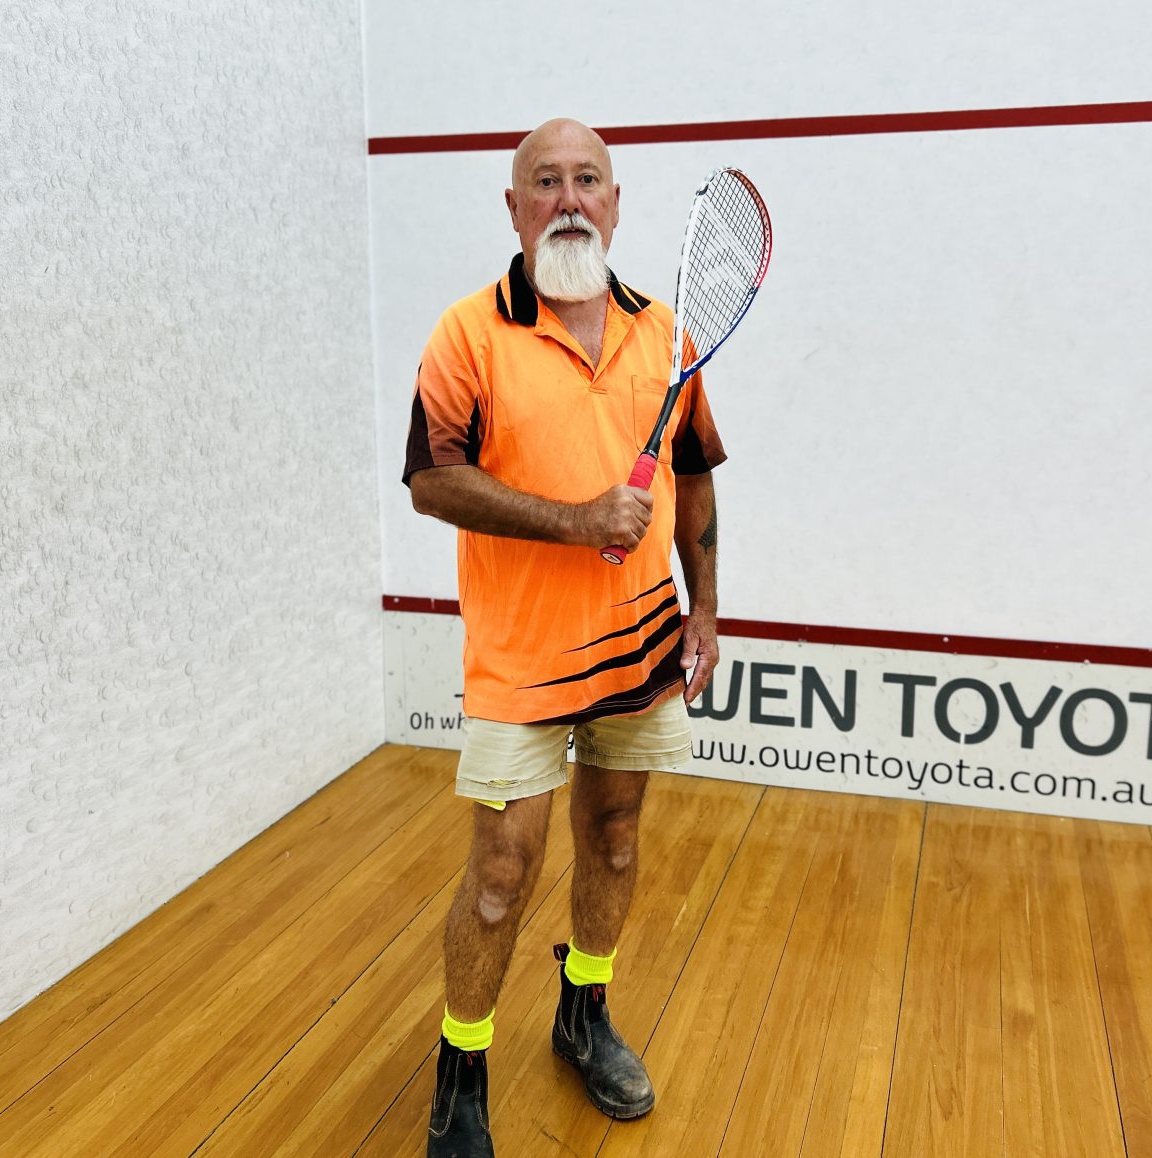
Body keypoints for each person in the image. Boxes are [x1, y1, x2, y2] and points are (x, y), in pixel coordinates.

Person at [403, 117, 725, 1158]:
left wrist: (706, 609)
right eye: (546, 181)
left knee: (618, 837)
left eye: (590, 179)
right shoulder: (468, 333)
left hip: (640, 644)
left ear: (618, 202)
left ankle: (582, 1015)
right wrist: (578, 521)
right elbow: (431, 480)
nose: (571, 198)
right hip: (519, 657)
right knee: (501, 873)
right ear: (514, 207)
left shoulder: (666, 333)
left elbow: (694, 475)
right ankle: (462, 1071)